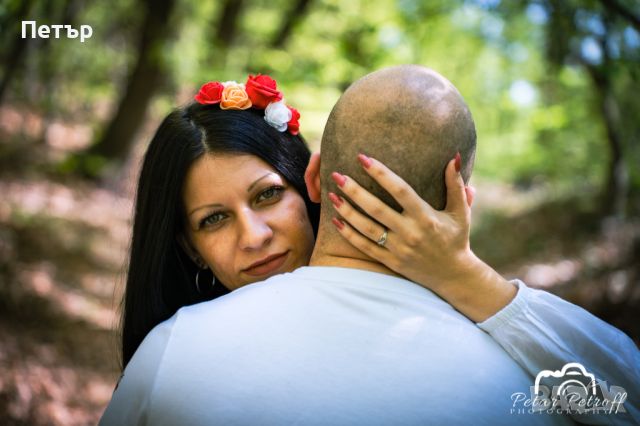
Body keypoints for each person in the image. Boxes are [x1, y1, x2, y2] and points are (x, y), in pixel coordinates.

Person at [102, 66, 638, 425]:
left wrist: (466, 278)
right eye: (214, 219)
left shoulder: (172, 357)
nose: (254, 236)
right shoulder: (532, 381)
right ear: (189, 248)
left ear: (310, 179)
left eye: (267, 196)